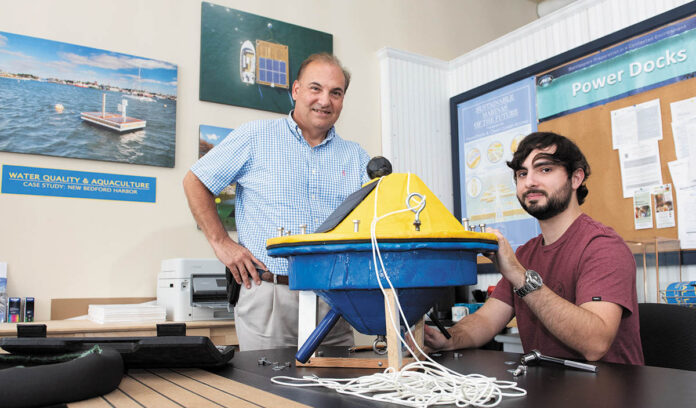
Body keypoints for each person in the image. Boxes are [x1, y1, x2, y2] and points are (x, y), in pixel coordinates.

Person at [184, 53, 370, 351]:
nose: (325, 100)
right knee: (267, 394)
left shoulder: (358, 157)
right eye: (315, 88)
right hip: (269, 293)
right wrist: (221, 243)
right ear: (296, 90)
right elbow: (196, 181)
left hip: (335, 302)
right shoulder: (255, 136)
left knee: (337, 394)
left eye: (336, 93)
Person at [423, 132, 644, 364]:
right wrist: (449, 338)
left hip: (607, 395)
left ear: (576, 178)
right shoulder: (527, 253)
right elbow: (486, 321)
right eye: (522, 173)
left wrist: (519, 276)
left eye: (545, 169)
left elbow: (595, 344)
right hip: (545, 391)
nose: (529, 181)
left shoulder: (603, 246)